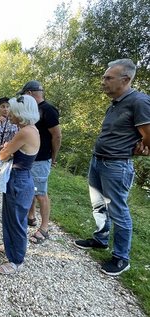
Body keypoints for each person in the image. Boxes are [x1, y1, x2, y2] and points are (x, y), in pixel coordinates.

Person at [74, 58, 150, 276]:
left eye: (108, 78)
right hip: (98, 161)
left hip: (116, 165)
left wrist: (143, 147)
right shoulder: (116, 103)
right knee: (98, 205)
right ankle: (100, 239)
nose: (103, 82)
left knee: (118, 211)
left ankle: (121, 258)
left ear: (125, 79)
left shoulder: (139, 102)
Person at [0, 95, 40, 275]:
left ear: (21, 112)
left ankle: (16, 261)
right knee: (11, 217)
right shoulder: (32, 129)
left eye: (12, 110)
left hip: (18, 180)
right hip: (21, 177)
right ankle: (10, 246)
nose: (9, 113)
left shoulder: (25, 132)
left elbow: (3, 155)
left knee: (15, 220)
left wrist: (6, 149)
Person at [16, 80, 62, 244]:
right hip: (30, 157)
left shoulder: (48, 110)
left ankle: (44, 228)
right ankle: (31, 216)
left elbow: (56, 136)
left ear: (29, 93)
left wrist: (53, 157)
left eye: (23, 95)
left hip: (41, 159)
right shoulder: (33, 109)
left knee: (41, 193)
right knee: (32, 189)